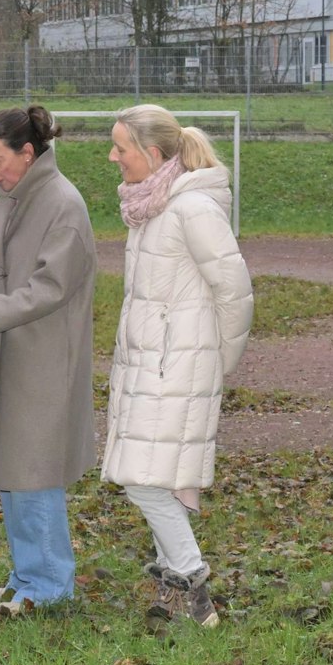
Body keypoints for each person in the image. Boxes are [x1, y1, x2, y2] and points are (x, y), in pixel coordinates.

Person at [0, 106, 97, 615]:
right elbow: (7, 260)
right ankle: (29, 573)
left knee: (35, 469)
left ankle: (49, 584)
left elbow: (50, 287)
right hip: (22, 348)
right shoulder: (28, 196)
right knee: (16, 467)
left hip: (47, 355)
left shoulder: (62, 204)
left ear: (27, 153)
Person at [101, 104, 253, 627]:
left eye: (120, 147)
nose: (112, 156)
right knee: (153, 478)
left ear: (152, 153)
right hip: (149, 365)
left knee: (142, 477)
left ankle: (192, 584)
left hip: (176, 368)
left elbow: (235, 291)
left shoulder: (191, 209)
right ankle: (173, 586)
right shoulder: (150, 206)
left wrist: (215, 359)